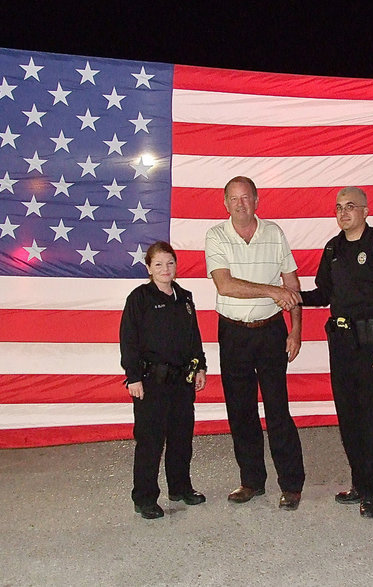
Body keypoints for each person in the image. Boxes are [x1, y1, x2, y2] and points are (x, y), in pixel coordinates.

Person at [298, 186, 373, 518]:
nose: (343, 212)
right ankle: (363, 483)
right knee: (349, 419)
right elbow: (323, 293)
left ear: (365, 210)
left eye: (350, 206)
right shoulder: (333, 249)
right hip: (343, 345)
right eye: (338, 207)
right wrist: (291, 295)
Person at [204, 176, 306, 511]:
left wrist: (296, 330)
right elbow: (225, 285)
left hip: (271, 332)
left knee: (278, 409)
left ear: (257, 200)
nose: (240, 204)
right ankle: (252, 481)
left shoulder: (274, 233)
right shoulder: (216, 236)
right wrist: (273, 291)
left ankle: (291, 484)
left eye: (246, 197)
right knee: (241, 410)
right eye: (233, 198)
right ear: (224, 203)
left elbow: (292, 282)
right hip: (233, 333)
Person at [119, 241, 208, 519]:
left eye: (170, 263)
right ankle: (144, 498)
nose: (165, 269)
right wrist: (132, 376)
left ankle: (180, 487)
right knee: (150, 441)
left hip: (181, 381)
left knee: (182, 438)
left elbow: (194, 336)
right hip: (151, 382)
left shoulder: (185, 297)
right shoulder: (140, 298)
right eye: (158, 264)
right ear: (148, 268)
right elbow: (128, 340)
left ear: (176, 266)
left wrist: (201, 366)